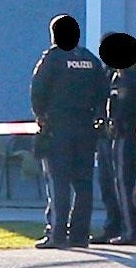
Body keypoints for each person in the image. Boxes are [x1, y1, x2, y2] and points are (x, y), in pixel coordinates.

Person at [29, 14, 108, 248]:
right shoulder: (91, 60)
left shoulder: (52, 59)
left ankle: (57, 234)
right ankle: (80, 235)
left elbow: (37, 91)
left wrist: (42, 116)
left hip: (58, 128)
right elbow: (103, 92)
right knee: (84, 183)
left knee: (58, 181)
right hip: (85, 128)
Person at [96, 36, 136, 245]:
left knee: (125, 183)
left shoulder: (129, 79)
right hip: (115, 135)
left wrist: (114, 122)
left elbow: (125, 108)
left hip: (126, 135)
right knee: (113, 183)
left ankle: (133, 231)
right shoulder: (115, 76)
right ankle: (120, 227)